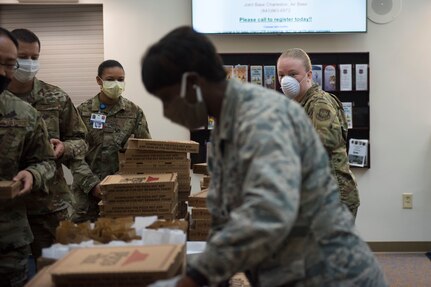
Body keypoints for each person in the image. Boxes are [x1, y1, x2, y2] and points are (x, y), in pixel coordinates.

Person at [141, 26, 387, 287]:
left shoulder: (262, 120)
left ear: (192, 83)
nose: (168, 111)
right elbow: (228, 214)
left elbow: (268, 212)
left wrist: (197, 276)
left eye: (167, 98)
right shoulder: (230, 124)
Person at [4, 28, 88, 262]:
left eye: (34, 58)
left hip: (50, 208)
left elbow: (82, 140)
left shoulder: (56, 98)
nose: (29, 63)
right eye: (22, 57)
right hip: (7, 211)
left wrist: (65, 148)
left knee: (58, 270)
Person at [0, 27, 56, 287]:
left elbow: (45, 161)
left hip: (8, 240)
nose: (2, 72)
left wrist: (33, 174)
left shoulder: (24, 113)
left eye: (9, 65)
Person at [277, 48, 360, 218]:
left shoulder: (318, 103)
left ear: (308, 75)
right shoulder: (298, 104)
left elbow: (322, 143)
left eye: (293, 74)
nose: (285, 80)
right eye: (281, 75)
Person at [72, 59, 151, 223]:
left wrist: (119, 181)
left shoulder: (134, 112)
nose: (116, 84)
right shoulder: (82, 111)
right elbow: (73, 155)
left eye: (120, 80)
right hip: (86, 196)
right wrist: (92, 185)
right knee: (83, 242)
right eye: (110, 79)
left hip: (122, 193)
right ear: (98, 81)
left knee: (121, 240)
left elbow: (144, 153)